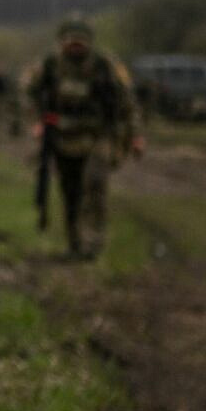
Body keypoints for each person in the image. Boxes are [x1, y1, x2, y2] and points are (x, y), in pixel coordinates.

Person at [26, 15, 144, 260]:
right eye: (70, 41)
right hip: (61, 137)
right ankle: (75, 244)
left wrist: (136, 136)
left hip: (98, 135)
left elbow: (127, 102)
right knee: (70, 191)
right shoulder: (49, 66)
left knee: (94, 184)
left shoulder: (105, 66)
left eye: (81, 41)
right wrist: (37, 121)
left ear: (89, 42)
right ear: (61, 42)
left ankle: (92, 244)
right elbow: (28, 94)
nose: (76, 45)